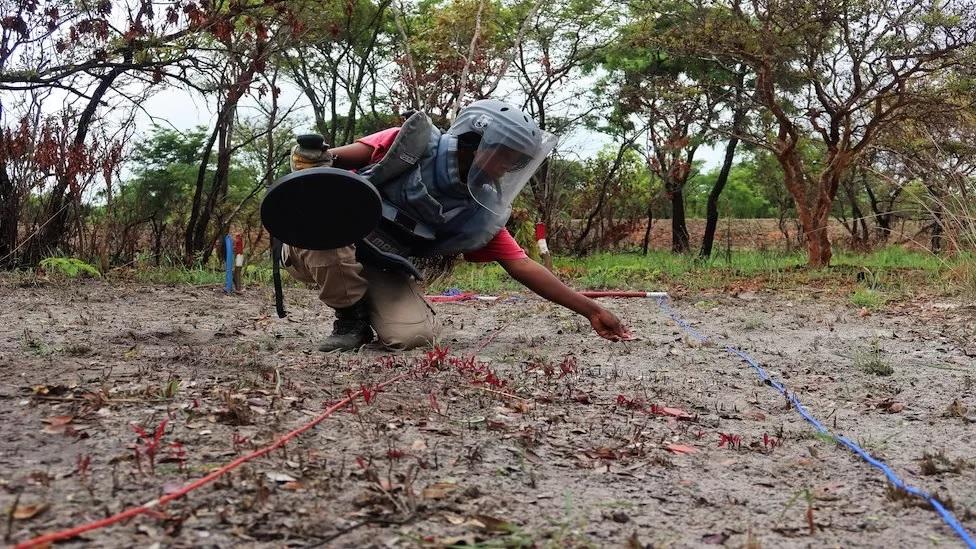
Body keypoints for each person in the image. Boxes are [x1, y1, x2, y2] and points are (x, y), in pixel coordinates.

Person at [282, 99, 631, 351]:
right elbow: (327, 162)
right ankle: (350, 321)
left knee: (412, 337)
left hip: (383, 263)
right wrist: (313, 158)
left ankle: (369, 304)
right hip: (325, 237)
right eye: (506, 156)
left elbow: (522, 265)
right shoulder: (409, 144)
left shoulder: (477, 207)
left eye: (516, 162)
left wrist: (592, 310)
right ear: (480, 142)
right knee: (326, 219)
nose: (507, 168)